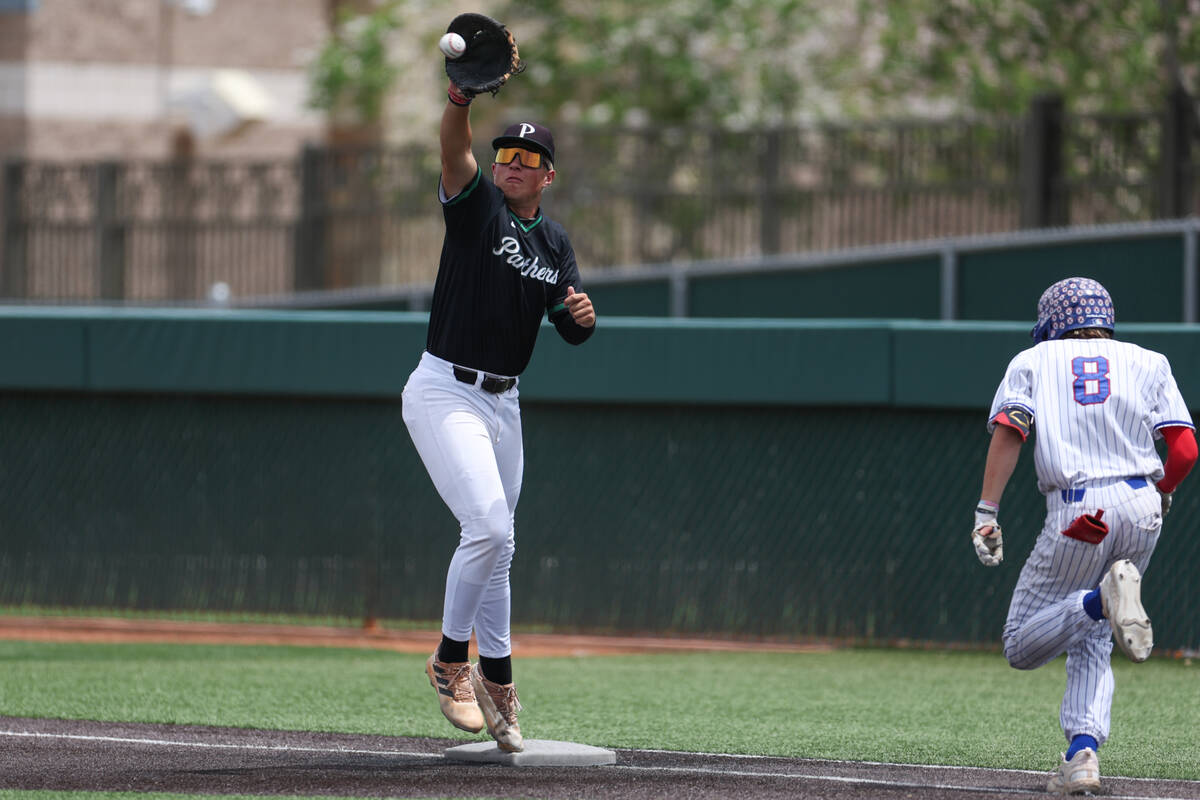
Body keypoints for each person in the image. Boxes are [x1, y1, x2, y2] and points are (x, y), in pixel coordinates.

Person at [401, 76, 596, 754]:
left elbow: (568, 330)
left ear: (548, 176)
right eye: (506, 154)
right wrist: (459, 101)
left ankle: (500, 678)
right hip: (445, 388)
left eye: (529, 159)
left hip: (503, 400)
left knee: (501, 545)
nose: (513, 164)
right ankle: (450, 660)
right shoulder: (477, 205)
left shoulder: (556, 244)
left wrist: (581, 318)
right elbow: (452, 153)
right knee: (485, 524)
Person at [970, 277, 1196, 794]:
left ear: (1052, 322)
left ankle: (1099, 600)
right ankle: (1082, 757)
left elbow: (1012, 430)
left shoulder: (1034, 360)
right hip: (1143, 506)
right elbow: (1184, 450)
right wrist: (1164, 490)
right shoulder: (1150, 361)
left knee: (1020, 645)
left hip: (1081, 510)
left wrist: (987, 510)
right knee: (1094, 638)